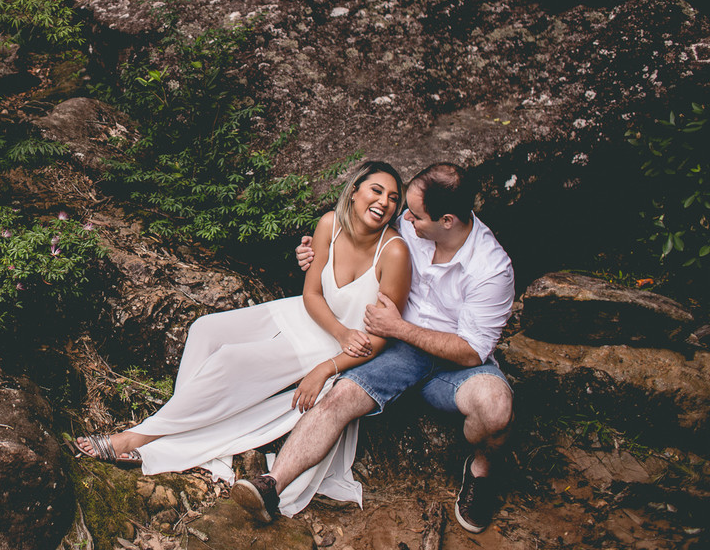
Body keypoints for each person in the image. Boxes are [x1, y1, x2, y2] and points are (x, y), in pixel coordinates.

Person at [76, 161, 412, 518]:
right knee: (205, 330)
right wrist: (341, 330)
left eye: (393, 198)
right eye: (376, 190)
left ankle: (140, 439)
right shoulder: (330, 223)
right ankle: (179, 426)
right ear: (356, 190)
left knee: (230, 362)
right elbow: (312, 294)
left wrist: (329, 363)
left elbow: (381, 337)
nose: (384, 202)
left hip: (333, 347)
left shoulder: (394, 253)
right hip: (309, 315)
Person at [230, 162, 515, 534]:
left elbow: (471, 352)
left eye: (415, 214)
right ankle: (272, 485)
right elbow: (356, 231)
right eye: (406, 207)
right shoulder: (411, 231)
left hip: (457, 366)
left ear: (447, 221)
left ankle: (481, 471)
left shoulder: (491, 268)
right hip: (399, 351)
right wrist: (315, 253)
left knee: (496, 408)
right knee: (339, 396)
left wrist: (400, 327)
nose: (405, 217)